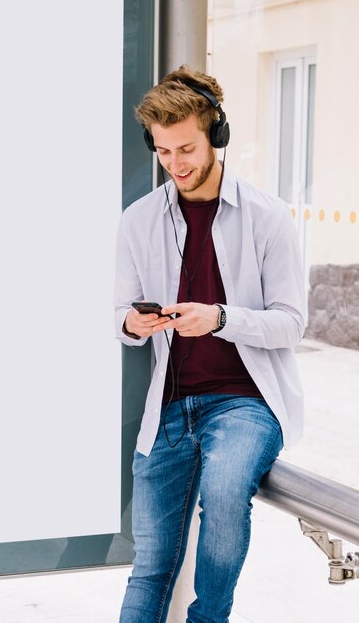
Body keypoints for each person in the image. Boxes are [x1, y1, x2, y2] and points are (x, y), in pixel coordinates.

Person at [115, 65, 306, 623]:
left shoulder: (268, 218)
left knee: (223, 495)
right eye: (164, 152)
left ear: (217, 135)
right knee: (150, 564)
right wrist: (133, 324)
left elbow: (292, 323)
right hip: (170, 407)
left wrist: (221, 319)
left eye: (187, 148)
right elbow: (116, 316)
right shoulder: (138, 222)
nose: (176, 165)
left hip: (245, 401)